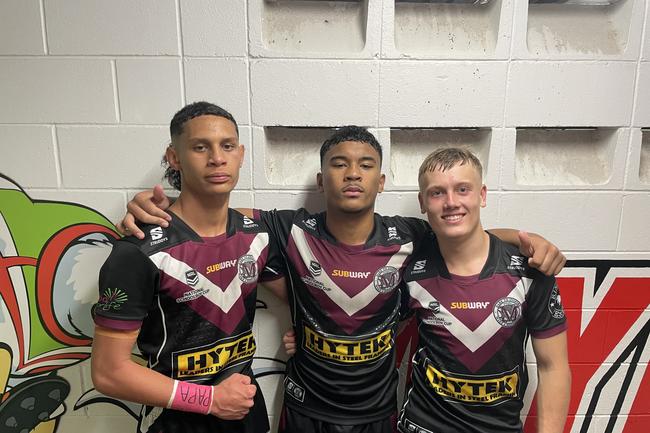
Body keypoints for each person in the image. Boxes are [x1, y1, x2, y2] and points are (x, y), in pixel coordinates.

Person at [118, 127, 566, 433]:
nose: (353, 173)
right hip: (305, 409)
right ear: (321, 178)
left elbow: (464, 232)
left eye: (366, 164)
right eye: (339, 163)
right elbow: (212, 214)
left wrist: (527, 241)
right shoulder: (288, 229)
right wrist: (156, 206)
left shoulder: (410, 237)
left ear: (383, 181)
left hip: (379, 412)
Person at [91, 101, 286, 433]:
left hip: (245, 412)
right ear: (174, 157)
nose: (217, 158)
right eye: (200, 147)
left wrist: (307, 333)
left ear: (240, 154)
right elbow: (108, 372)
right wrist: (209, 399)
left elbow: (315, 294)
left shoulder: (259, 233)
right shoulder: (138, 250)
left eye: (227, 146)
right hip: (176, 421)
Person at [397, 147, 570, 433]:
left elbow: (553, 367)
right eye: (437, 192)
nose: (451, 202)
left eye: (462, 189)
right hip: (423, 426)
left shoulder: (529, 270)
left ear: (482, 195)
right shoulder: (410, 267)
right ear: (423, 202)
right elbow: (371, 328)